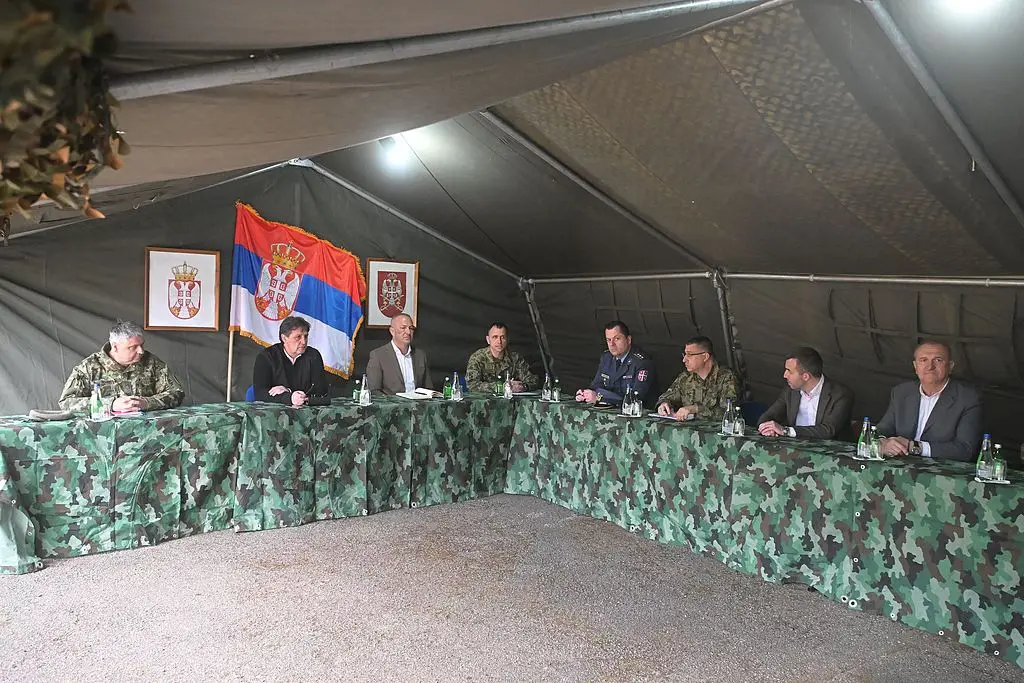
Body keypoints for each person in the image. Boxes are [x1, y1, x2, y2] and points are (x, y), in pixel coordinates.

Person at [876, 340, 981, 461]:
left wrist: (914, 447)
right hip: (900, 465)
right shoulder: (901, 392)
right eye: (923, 360)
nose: (930, 366)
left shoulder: (969, 398)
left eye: (938, 360)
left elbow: (965, 450)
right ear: (915, 366)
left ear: (950, 366)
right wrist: (883, 442)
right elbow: (882, 430)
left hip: (941, 470)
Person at [58, 320, 184, 413]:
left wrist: (146, 403)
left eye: (142, 345)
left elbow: (176, 392)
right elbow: (66, 402)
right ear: (115, 347)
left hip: (147, 432)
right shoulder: (89, 367)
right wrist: (110, 404)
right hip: (104, 434)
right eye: (133, 347)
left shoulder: (152, 362)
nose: (141, 351)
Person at [756, 347, 854, 440]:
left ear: (806, 376)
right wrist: (766, 428)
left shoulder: (841, 395)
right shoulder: (790, 391)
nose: (785, 375)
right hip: (794, 448)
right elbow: (769, 416)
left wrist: (786, 431)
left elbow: (828, 430)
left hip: (830, 450)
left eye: (789, 371)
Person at [656, 336, 738, 422]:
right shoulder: (686, 377)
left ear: (705, 357)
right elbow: (668, 396)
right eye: (684, 354)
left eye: (689, 355)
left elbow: (729, 412)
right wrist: (664, 404)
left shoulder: (727, 376)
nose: (684, 360)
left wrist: (695, 409)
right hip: (688, 429)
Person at [252, 316, 329, 407]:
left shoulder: (313, 355)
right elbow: (260, 394)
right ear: (284, 338)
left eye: (305, 336)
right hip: (275, 412)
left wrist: (288, 391)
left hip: (307, 411)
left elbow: (322, 392)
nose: (304, 342)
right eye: (298, 337)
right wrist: (290, 397)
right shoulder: (266, 357)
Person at [576, 320, 656, 406]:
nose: (612, 344)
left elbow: (635, 398)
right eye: (608, 340)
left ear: (628, 340)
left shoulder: (642, 362)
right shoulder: (606, 358)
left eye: (617, 339)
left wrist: (599, 397)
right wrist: (585, 394)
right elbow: (596, 385)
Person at [366, 313, 433, 395]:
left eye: (411, 328)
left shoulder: (420, 355)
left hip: (417, 402)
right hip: (391, 402)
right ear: (392, 331)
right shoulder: (378, 355)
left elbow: (428, 388)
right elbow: (374, 390)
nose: (408, 332)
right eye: (403, 328)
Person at [465, 322, 538, 393]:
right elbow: (472, 385)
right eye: (495, 337)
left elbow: (533, 380)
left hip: (510, 399)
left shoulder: (515, 358)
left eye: (502, 337)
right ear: (488, 340)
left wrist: (522, 387)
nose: (499, 341)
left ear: (507, 339)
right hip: (485, 400)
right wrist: (502, 387)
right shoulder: (477, 358)